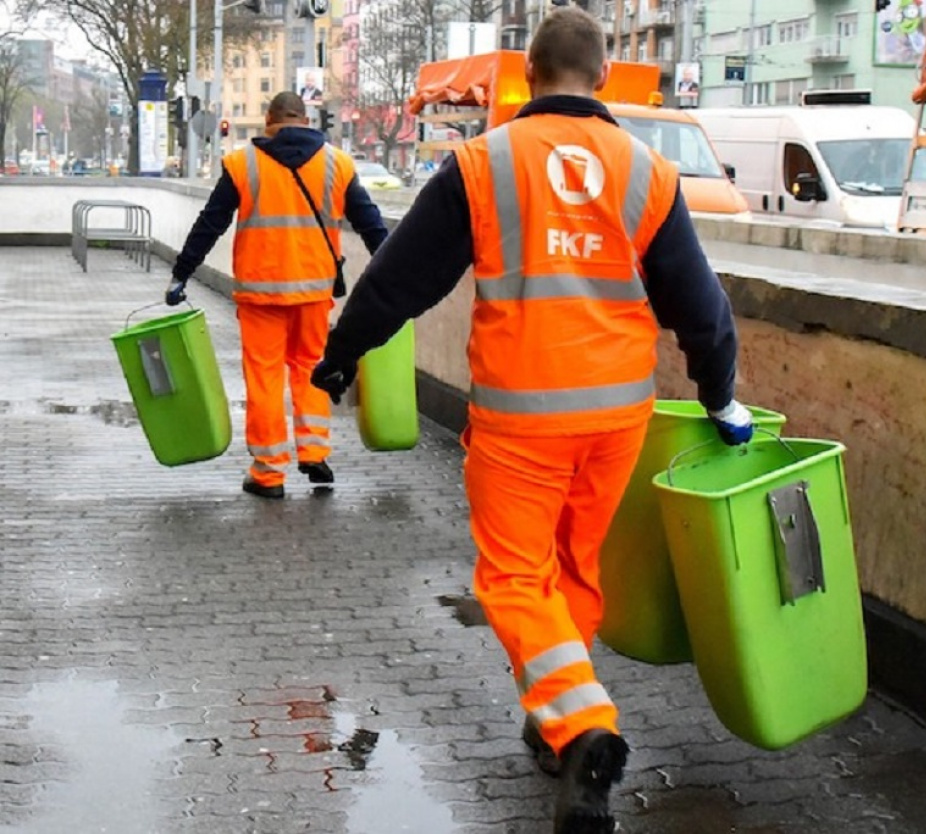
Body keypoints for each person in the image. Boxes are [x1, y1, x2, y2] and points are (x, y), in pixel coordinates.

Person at [310, 7, 752, 832]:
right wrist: (721, 397)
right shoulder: (648, 172)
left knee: (513, 579)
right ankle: (553, 725)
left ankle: (583, 725)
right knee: (573, 572)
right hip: (617, 417)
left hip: (521, 417)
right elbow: (700, 306)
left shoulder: (485, 164)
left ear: (528, 75)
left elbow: (403, 278)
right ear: (606, 77)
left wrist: (342, 353)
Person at [165, 91, 388, 500]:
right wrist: (398, 273)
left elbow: (210, 222)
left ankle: (269, 473)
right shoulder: (337, 164)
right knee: (311, 369)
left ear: (268, 122)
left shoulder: (243, 164)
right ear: (305, 120)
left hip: (261, 293)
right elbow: (371, 224)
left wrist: (182, 273)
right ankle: (315, 453)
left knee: (265, 378)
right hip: (313, 292)